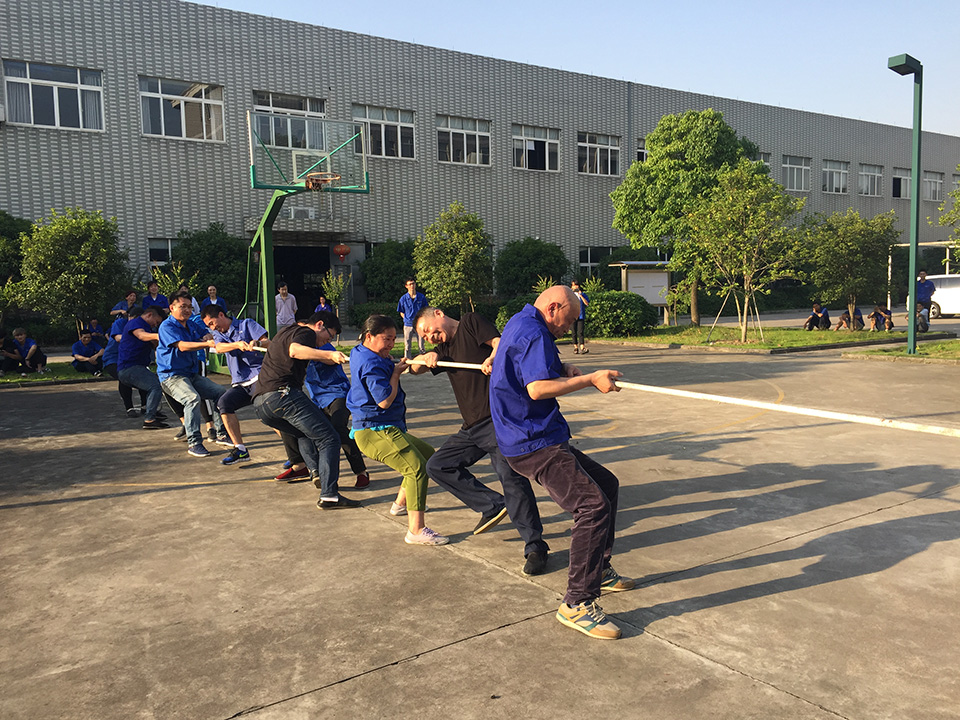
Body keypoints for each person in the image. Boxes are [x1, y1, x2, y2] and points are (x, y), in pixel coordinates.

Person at [490, 285, 634, 641]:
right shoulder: (534, 331)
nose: (568, 330)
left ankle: (598, 569)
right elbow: (537, 388)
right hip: (532, 441)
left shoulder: (523, 320)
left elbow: (531, 368)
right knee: (592, 506)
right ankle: (577, 603)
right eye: (567, 322)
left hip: (534, 434)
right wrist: (589, 379)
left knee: (607, 485)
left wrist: (562, 367)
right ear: (553, 308)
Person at [411, 307, 549, 573]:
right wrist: (425, 357)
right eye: (425, 337)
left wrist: (493, 358)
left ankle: (535, 547)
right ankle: (493, 505)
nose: (430, 337)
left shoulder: (470, 322)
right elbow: (415, 369)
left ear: (438, 314)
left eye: (428, 330)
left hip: (497, 422)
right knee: (437, 465)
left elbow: (499, 343)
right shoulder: (444, 349)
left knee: (512, 480)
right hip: (471, 429)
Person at [347, 314, 447, 545]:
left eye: (394, 339)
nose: (391, 344)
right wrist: (394, 373)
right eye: (387, 339)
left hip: (384, 427)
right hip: (375, 430)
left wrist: (388, 360)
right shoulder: (371, 363)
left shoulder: (360, 351)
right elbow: (384, 401)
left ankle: (401, 504)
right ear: (369, 336)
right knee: (416, 469)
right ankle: (416, 530)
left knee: (427, 455)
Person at [254, 312, 360, 509]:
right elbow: (295, 351)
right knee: (329, 437)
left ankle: (315, 471)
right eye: (328, 337)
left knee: (305, 433)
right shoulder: (306, 333)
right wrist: (329, 354)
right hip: (283, 395)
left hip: (261, 403)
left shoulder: (285, 332)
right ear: (319, 324)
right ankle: (329, 495)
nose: (326, 342)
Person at [302, 312, 370, 488]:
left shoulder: (324, 346)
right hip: (317, 399)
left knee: (338, 428)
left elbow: (331, 358)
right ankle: (313, 470)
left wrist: (325, 355)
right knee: (306, 429)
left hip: (338, 394)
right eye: (330, 336)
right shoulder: (299, 345)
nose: (329, 340)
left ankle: (361, 471)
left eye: (331, 337)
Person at [157, 290, 227, 457]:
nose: (187, 310)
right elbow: (182, 346)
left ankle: (222, 433)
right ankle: (194, 442)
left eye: (189, 307)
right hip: (171, 376)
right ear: (172, 308)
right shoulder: (167, 326)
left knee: (221, 393)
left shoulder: (191, 324)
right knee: (192, 398)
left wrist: (208, 336)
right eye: (183, 306)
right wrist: (206, 344)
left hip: (191, 374)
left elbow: (206, 332)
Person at [201, 305, 269, 466]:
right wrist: (237, 345)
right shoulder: (219, 334)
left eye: (212, 323)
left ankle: (296, 456)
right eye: (209, 326)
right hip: (241, 382)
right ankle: (240, 449)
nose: (212, 327)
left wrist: (257, 342)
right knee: (224, 403)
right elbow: (219, 347)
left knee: (267, 413)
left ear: (221, 315)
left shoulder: (247, 324)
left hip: (259, 376)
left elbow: (268, 343)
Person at [117, 305, 168, 429]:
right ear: (149, 315)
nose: (155, 325)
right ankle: (149, 419)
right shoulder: (135, 323)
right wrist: (160, 336)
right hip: (129, 367)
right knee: (155, 387)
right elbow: (141, 335)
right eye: (156, 322)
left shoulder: (147, 328)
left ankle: (152, 412)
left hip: (137, 367)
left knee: (155, 384)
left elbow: (155, 344)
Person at [102, 309, 150, 417]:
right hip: (113, 358)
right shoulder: (120, 323)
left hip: (132, 360)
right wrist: (138, 336)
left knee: (144, 376)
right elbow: (118, 338)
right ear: (129, 317)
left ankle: (144, 406)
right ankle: (129, 408)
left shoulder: (145, 326)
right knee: (123, 377)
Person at [396, 277, 428, 359]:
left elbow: (425, 309)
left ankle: (422, 361)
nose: (412, 286)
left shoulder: (421, 297)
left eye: (413, 283)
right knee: (407, 345)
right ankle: (407, 362)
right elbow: (401, 311)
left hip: (419, 324)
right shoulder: (403, 299)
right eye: (410, 284)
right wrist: (405, 319)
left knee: (421, 345)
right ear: (406, 286)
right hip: (408, 324)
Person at [570, 279, 590, 354]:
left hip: (580, 315)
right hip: (572, 315)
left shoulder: (582, 294)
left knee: (580, 332)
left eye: (576, 285)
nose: (575, 287)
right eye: (573, 285)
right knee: (573, 332)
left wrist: (581, 295)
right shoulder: (570, 295)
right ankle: (575, 347)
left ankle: (582, 347)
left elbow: (587, 303)